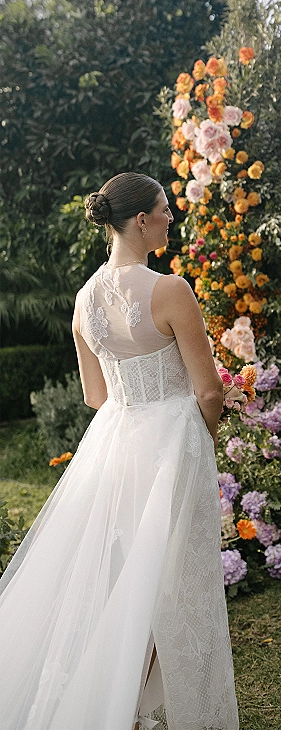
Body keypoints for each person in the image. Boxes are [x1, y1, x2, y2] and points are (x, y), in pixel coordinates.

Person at [0, 172, 239, 730]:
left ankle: (120, 707)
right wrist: (202, 435)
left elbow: (94, 395)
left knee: (124, 581)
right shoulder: (170, 290)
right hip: (172, 445)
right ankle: (152, 709)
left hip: (115, 444)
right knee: (176, 586)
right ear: (140, 222)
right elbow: (208, 390)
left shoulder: (84, 299)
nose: (170, 218)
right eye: (164, 210)